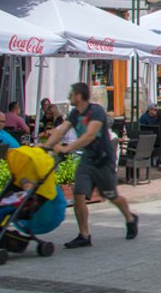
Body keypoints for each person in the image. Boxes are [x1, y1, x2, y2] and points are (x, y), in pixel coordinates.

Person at [47, 82, 138, 248]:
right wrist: (46, 146)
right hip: (87, 159)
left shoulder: (96, 112)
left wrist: (67, 148)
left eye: (71, 94)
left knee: (111, 196)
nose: (69, 97)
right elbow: (61, 130)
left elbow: (89, 135)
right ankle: (84, 235)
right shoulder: (75, 113)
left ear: (79, 96)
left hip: (103, 159)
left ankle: (130, 218)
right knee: (78, 194)